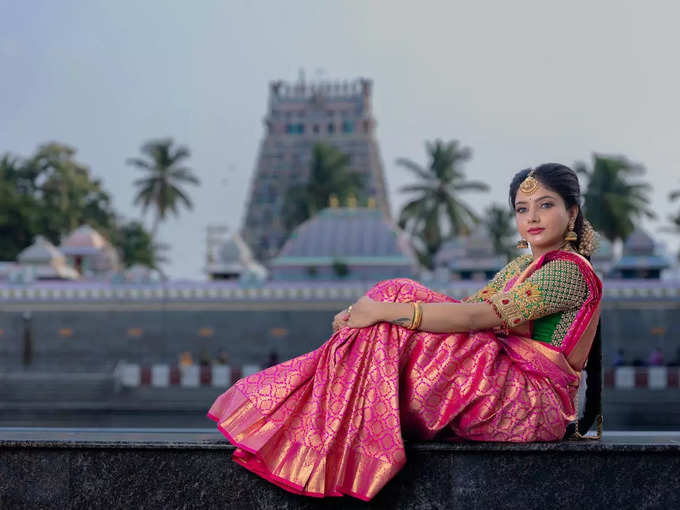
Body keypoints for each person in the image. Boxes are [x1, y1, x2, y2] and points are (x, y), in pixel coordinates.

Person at [207, 163, 603, 501]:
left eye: (545, 205)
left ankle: (316, 429)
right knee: (392, 305)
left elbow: (473, 319)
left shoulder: (569, 270)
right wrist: (363, 316)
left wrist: (382, 309)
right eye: (522, 208)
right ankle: (329, 431)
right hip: (504, 389)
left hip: (531, 407)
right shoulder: (520, 269)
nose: (532, 217)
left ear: (571, 213)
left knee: (396, 294)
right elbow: (455, 311)